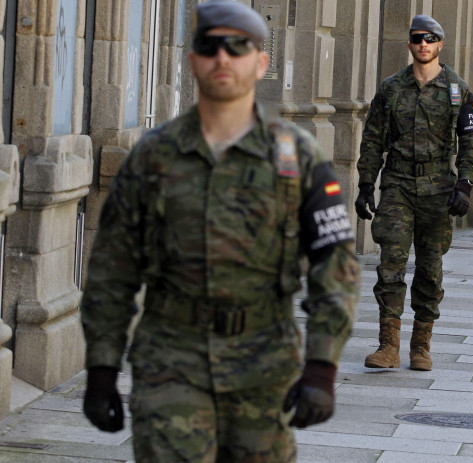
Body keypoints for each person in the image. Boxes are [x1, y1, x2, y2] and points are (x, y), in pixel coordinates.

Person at [79, 1, 359, 461]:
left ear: (261, 61)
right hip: (171, 362)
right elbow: (112, 269)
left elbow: (336, 265)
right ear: (193, 61)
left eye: (238, 46)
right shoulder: (154, 157)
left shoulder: (297, 156)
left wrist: (322, 367)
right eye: (210, 47)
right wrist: (102, 368)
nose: (223, 58)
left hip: (264, 366)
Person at [355, 14, 473, 371]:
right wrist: (366, 183)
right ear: (410, 45)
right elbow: (372, 139)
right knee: (390, 265)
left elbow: (472, 141)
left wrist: (465, 183)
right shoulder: (392, 88)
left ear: (440, 45)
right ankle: (388, 345)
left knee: (429, 269)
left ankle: (421, 346)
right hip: (397, 184)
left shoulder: (458, 90)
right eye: (417, 39)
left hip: (438, 189)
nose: (423, 45)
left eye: (429, 39)